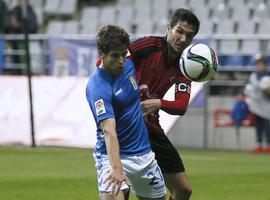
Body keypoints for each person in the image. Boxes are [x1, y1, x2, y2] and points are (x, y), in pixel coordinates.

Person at [126, 8, 200, 200]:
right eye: (179, 31)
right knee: (120, 186)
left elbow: (181, 106)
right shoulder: (148, 45)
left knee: (183, 190)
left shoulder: (186, 66)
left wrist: (158, 103)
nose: (183, 38)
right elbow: (108, 62)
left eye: (189, 35)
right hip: (126, 125)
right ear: (168, 28)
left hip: (151, 127)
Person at [86, 25, 166, 200]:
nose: (121, 60)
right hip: (113, 156)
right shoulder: (97, 87)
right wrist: (116, 168)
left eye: (123, 54)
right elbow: (109, 131)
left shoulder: (128, 66)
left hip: (143, 154)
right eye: (115, 55)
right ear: (102, 53)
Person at [245, 55, 270, 153]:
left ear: (265, 65)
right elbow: (248, 87)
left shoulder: (268, 76)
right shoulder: (253, 76)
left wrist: (267, 90)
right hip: (255, 105)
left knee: (267, 126)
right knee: (258, 126)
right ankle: (258, 145)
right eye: (258, 64)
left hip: (267, 105)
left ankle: (268, 145)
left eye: (261, 64)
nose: (259, 66)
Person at [4, 0, 38, 74]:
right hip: (14, 42)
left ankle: (26, 72)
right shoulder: (14, 11)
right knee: (14, 60)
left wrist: (18, 25)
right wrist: (11, 24)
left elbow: (33, 27)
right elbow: (6, 25)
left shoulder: (30, 11)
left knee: (25, 61)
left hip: (25, 41)